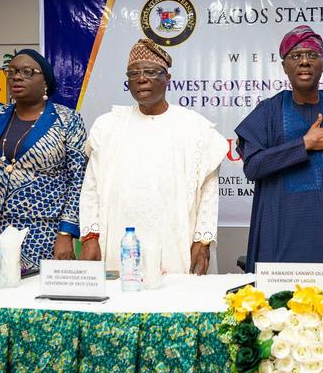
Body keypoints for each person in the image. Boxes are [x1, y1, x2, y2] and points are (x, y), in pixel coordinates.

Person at [235, 25, 323, 276]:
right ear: (284, 66)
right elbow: (253, 167)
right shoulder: (268, 111)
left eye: (312, 56)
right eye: (296, 56)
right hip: (280, 229)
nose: (304, 62)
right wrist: (305, 144)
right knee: (278, 308)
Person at [79, 39, 227, 275]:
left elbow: (209, 190)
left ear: (167, 78)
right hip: (119, 243)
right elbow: (90, 187)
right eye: (133, 73)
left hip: (175, 243)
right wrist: (90, 237)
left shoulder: (194, 127)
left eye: (150, 71)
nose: (141, 78)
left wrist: (203, 239)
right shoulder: (108, 127)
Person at [0, 49, 87, 272]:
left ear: (45, 80)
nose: (17, 77)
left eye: (27, 72)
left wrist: (66, 233)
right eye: (12, 71)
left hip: (45, 234)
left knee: (37, 301)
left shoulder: (67, 120)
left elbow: (79, 180)